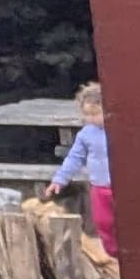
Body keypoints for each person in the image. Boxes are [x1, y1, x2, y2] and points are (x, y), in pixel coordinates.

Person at [51, 80, 112, 255]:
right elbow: (75, 157)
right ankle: (112, 252)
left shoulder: (119, 130)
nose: (91, 119)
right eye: (87, 114)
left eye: (96, 114)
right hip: (99, 186)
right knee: (103, 222)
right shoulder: (86, 134)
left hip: (120, 187)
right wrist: (60, 178)